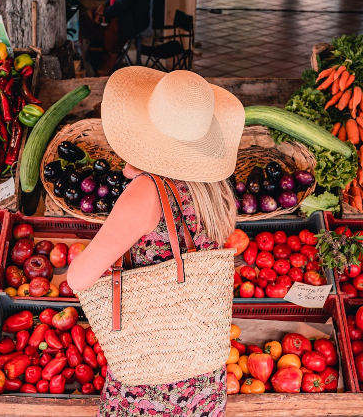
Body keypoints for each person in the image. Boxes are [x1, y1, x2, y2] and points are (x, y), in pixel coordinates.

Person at [67, 66, 244, 416]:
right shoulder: (214, 189)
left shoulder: (145, 193)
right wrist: (142, 169)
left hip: (153, 374)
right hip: (202, 373)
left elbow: (79, 278)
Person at [92, 0, 149, 75]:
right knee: (92, 18)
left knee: (105, 31)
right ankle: (103, 59)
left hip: (133, 21)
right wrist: (104, 6)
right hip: (125, 16)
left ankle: (110, 58)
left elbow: (123, 4)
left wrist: (104, 13)